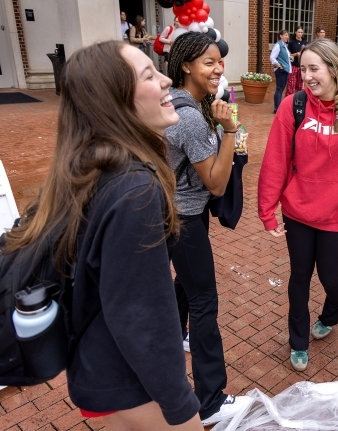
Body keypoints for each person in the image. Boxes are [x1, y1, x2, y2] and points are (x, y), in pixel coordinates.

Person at [2, 40, 203, 430]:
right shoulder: (136, 191)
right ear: (116, 100)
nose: (165, 80)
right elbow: (144, 316)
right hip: (129, 382)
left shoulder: (89, 166)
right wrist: (181, 405)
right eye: (148, 75)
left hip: (94, 369)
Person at [258, 38, 338, 372]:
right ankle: (297, 341)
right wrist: (267, 210)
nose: (307, 76)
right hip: (298, 210)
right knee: (299, 276)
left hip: (337, 212)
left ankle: (332, 312)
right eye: (303, 68)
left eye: (314, 68)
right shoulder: (293, 106)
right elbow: (275, 161)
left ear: (334, 69)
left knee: (330, 277)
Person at [165, 31, 252, 426]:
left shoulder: (193, 105)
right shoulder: (188, 117)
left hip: (183, 212)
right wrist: (230, 131)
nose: (219, 69)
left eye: (220, 62)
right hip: (183, 219)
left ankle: (169, 339)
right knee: (205, 301)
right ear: (186, 66)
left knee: (185, 286)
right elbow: (216, 183)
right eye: (209, 63)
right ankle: (211, 398)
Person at [270, 29, 291, 114]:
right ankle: (277, 108)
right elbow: (272, 57)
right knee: (279, 89)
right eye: (285, 35)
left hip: (285, 69)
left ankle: (278, 107)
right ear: (281, 36)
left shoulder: (284, 45)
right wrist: (278, 65)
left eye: (287, 35)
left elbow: (285, 56)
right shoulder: (278, 45)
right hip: (281, 70)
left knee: (281, 89)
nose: (287, 36)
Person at [286, 26, 307, 96]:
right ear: (295, 32)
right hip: (293, 66)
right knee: (291, 85)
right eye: (298, 32)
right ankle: (289, 101)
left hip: (301, 66)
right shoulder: (292, 42)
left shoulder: (305, 42)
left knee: (300, 85)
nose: (300, 34)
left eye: (301, 32)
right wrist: (295, 54)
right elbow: (288, 55)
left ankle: (299, 100)